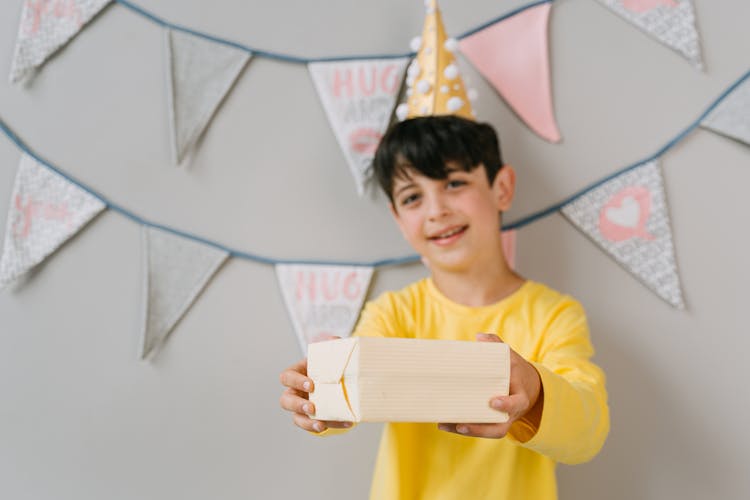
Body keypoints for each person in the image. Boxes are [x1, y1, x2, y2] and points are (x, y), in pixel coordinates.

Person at [279, 115, 609, 500]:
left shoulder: (554, 314)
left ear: (501, 188)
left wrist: (535, 391)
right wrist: (322, 400)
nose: (436, 210)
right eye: (412, 197)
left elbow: (588, 434)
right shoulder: (393, 313)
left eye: (454, 183)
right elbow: (353, 394)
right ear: (399, 219)